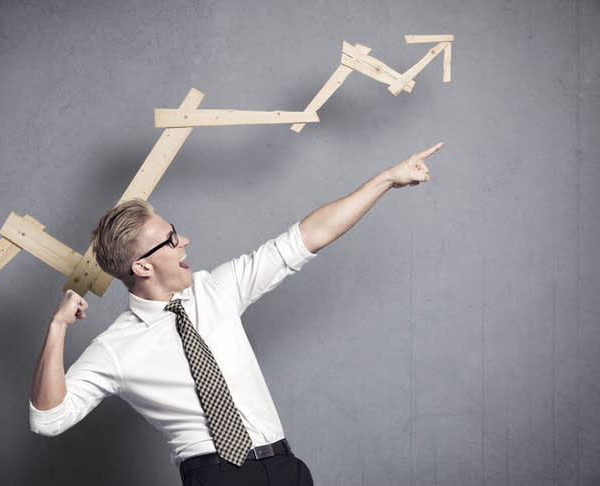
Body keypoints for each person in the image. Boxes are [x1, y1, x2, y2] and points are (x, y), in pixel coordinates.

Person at [29, 142, 445, 485]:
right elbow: (49, 420)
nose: (185, 241)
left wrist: (387, 179)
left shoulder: (218, 289)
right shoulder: (116, 348)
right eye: (172, 239)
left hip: (285, 469)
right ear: (142, 267)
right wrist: (57, 327)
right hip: (216, 476)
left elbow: (308, 236)